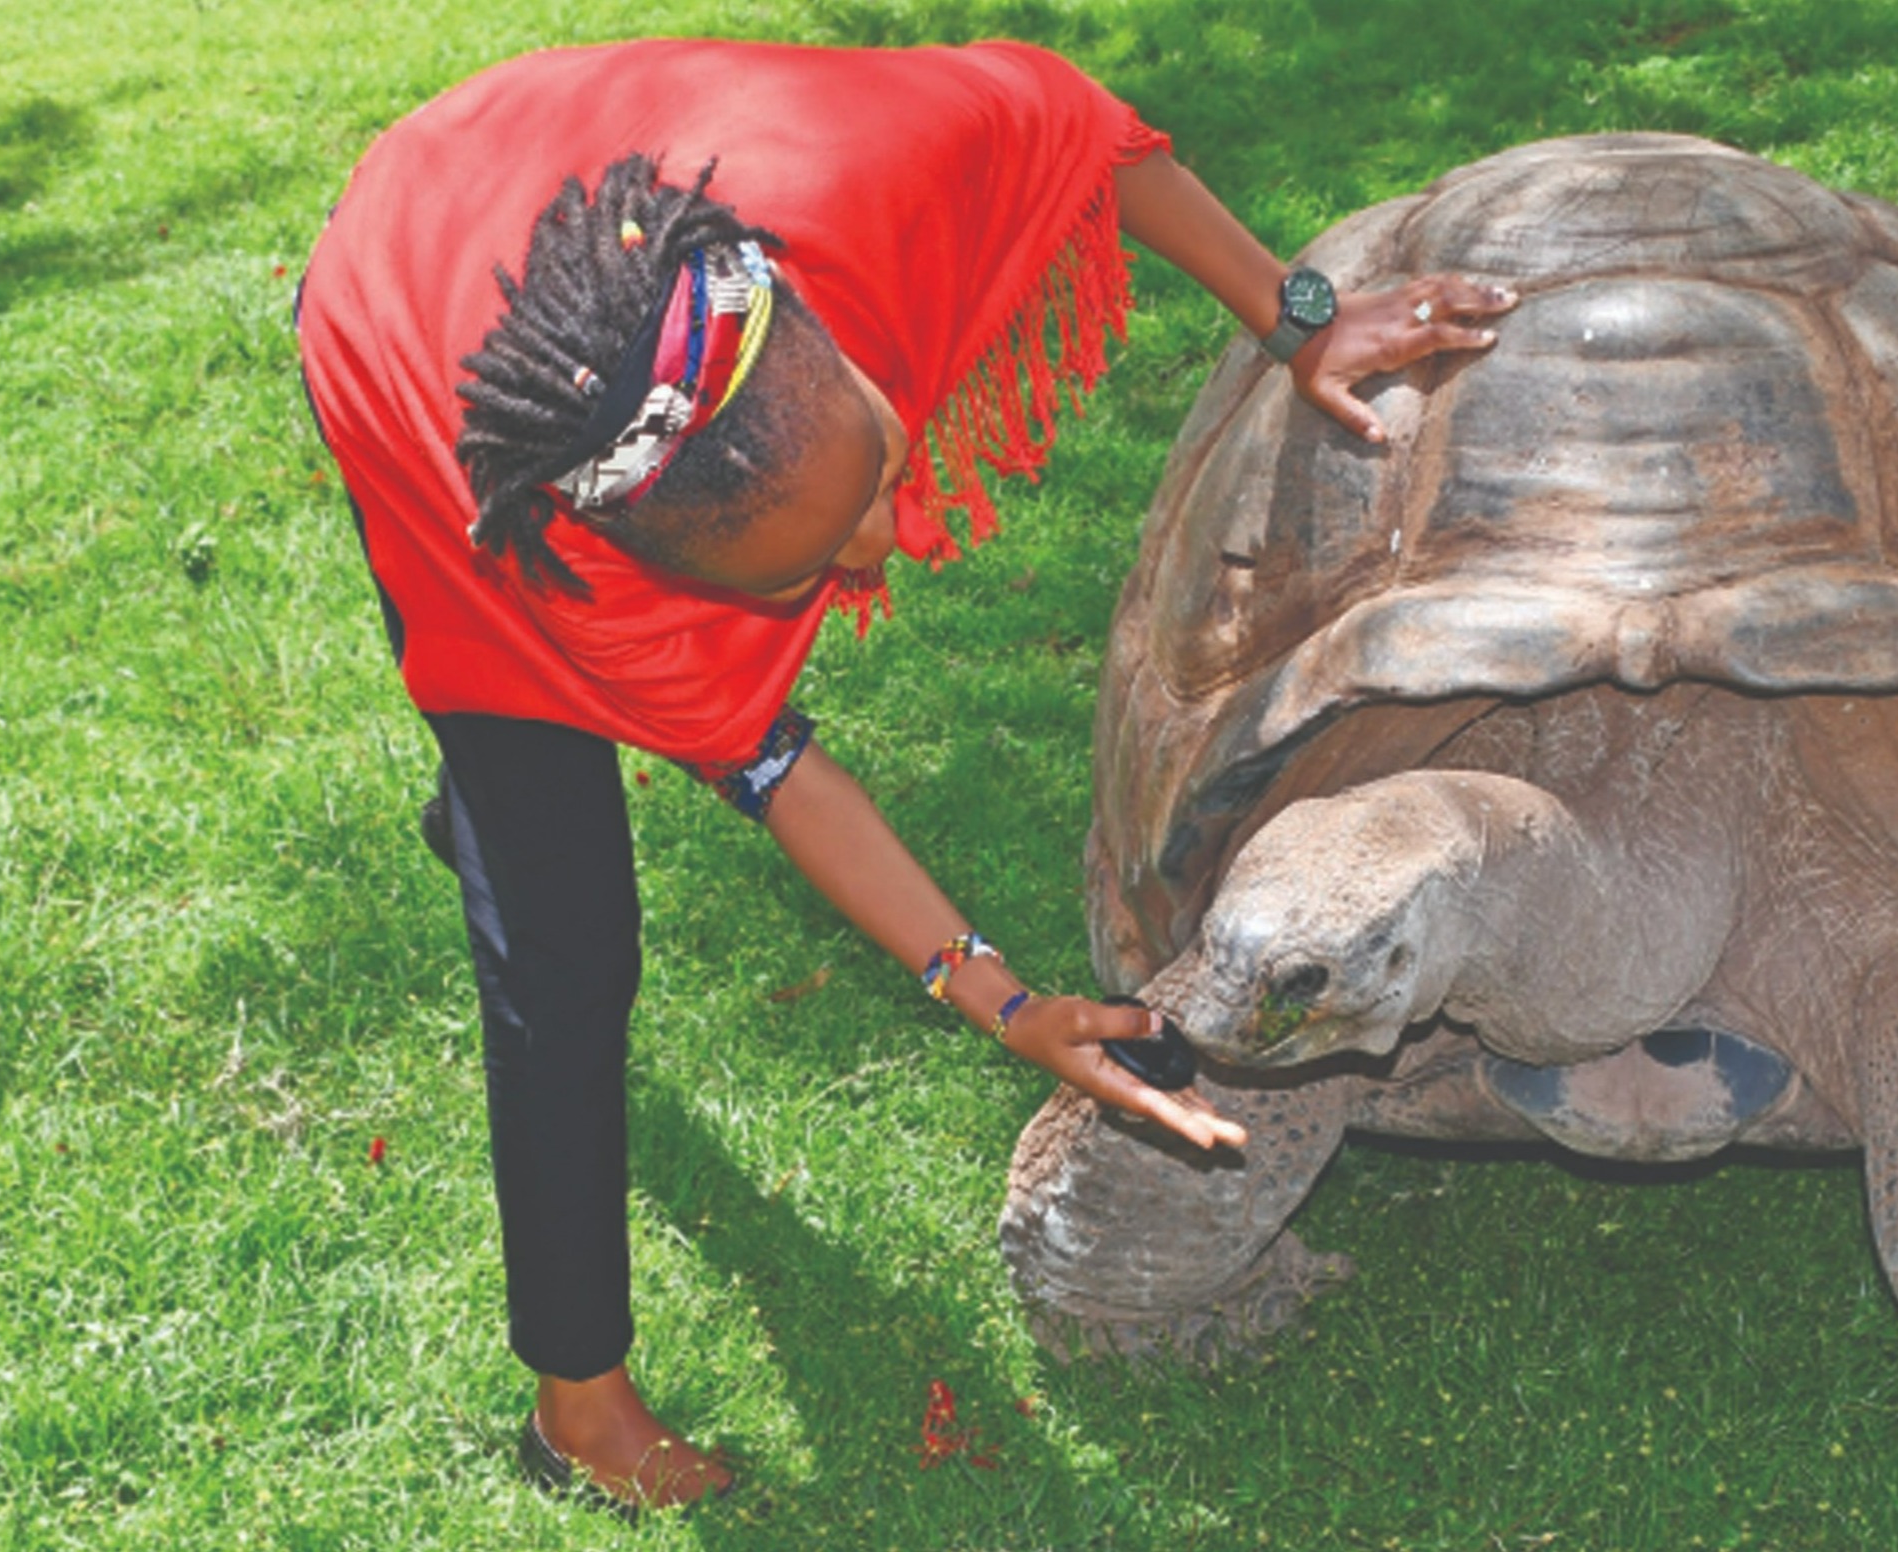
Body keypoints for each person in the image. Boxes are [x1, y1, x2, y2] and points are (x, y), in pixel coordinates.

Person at [295, 36, 1511, 1515]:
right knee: (561, 936)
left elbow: (1088, 136)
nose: (884, 543)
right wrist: (996, 997)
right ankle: (579, 1406)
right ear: (657, 563)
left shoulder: (877, 180)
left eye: (876, 469)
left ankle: (487, 805)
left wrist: (1298, 316)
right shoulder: (573, 587)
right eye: (815, 563)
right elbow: (780, 770)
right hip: (396, 320)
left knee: (546, 824)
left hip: (563, 157)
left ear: (829, 332)